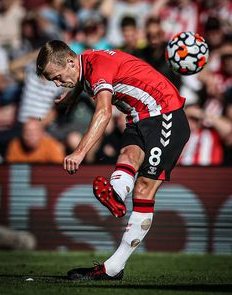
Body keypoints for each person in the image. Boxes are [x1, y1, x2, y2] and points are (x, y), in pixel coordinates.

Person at [36, 40, 190, 280]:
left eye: (57, 77)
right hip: (139, 117)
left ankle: (113, 268)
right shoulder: (84, 63)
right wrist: (73, 96)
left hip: (165, 114)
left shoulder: (96, 66)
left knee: (143, 189)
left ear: (69, 61)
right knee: (127, 155)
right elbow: (84, 79)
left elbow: (104, 112)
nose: (57, 84)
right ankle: (116, 195)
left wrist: (79, 152)